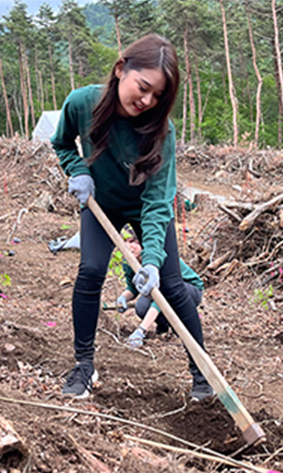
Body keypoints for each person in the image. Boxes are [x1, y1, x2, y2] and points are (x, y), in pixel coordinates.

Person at [51, 34, 214, 400]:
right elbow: (61, 142)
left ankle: (203, 376)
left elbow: (158, 201)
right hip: (101, 202)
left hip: (145, 205)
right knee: (90, 271)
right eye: (143, 88)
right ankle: (83, 366)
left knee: (170, 286)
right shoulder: (83, 103)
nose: (147, 101)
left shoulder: (161, 131)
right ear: (121, 68)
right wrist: (76, 169)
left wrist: (152, 260)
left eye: (158, 96)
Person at [116, 234, 204, 348]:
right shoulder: (128, 261)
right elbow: (132, 287)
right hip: (163, 291)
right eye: (126, 242)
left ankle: (181, 326)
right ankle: (165, 326)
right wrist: (123, 298)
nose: (129, 246)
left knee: (167, 294)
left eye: (134, 242)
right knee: (141, 306)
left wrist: (141, 330)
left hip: (189, 289)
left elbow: (160, 298)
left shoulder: (158, 257)